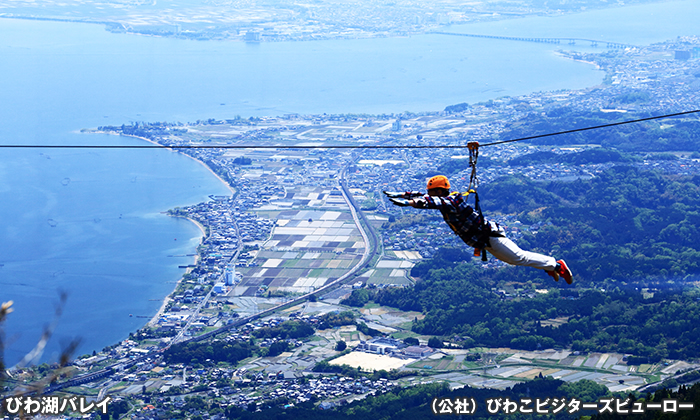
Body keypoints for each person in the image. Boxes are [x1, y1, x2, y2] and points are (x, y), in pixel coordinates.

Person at [385, 175, 573, 284]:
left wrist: (409, 203)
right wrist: (403, 195)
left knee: (518, 258)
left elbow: (431, 201)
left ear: (441, 191)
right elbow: (425, 197)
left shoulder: (452, 201)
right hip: (486, 238)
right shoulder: (447, 199)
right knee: (516, 259)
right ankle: (548, 265)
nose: (430, 194)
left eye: (433, 192)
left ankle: (556, 265)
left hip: (491, 237)